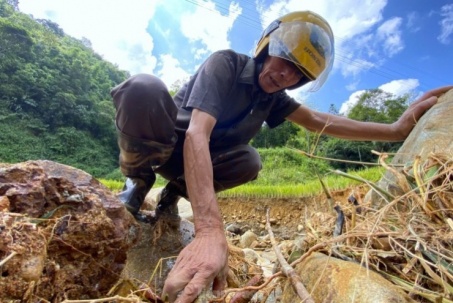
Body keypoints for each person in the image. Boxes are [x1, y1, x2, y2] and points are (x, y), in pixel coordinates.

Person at [110, 10, 452, 303]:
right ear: (266, 46)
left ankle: (173, 195)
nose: (287, 75)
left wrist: (394, 130)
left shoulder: (272, 99)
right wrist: (210, 232)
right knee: (143, 88)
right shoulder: (226, 63)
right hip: (168, 148)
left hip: (197, 170)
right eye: (285, 61)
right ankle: (138, 181)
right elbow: (198, 133)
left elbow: (320, 121)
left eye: (299, 74)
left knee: (249, 161)